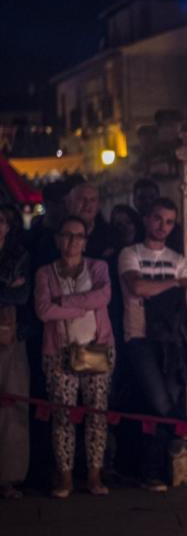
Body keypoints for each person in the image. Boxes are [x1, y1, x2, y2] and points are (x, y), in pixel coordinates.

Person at [34, 216, 115, 497]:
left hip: (96, 347)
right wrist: (83, 307)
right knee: (63, 415)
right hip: (60, 351)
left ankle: (94, 475)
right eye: (67, 235)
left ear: (85, 241)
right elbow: (44, 311)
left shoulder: (98, 267)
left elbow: (102, 297)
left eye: (78, 236)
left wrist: (66, 303)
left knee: (96, 413)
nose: (73, 241)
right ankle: (65, 476)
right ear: (58, 239)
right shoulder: (45, 273)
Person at [118, 198, 187, 492]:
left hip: (172, 341)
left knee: (164, 402)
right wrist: (175, 285)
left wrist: (165, 289)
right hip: (138, 337)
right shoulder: (130, 253)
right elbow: (137, 287)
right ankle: (157, 462)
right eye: (158, 219)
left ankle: (155, 471)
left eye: (169, 222)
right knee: (161, 402)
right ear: (147, 220)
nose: (163, 226)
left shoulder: (177, 258)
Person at [0, 205, 30, 499]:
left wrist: (9, 288)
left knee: (12, 407)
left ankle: (8, 477)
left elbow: (20, 296)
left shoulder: (18, 256)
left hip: (10, 339)